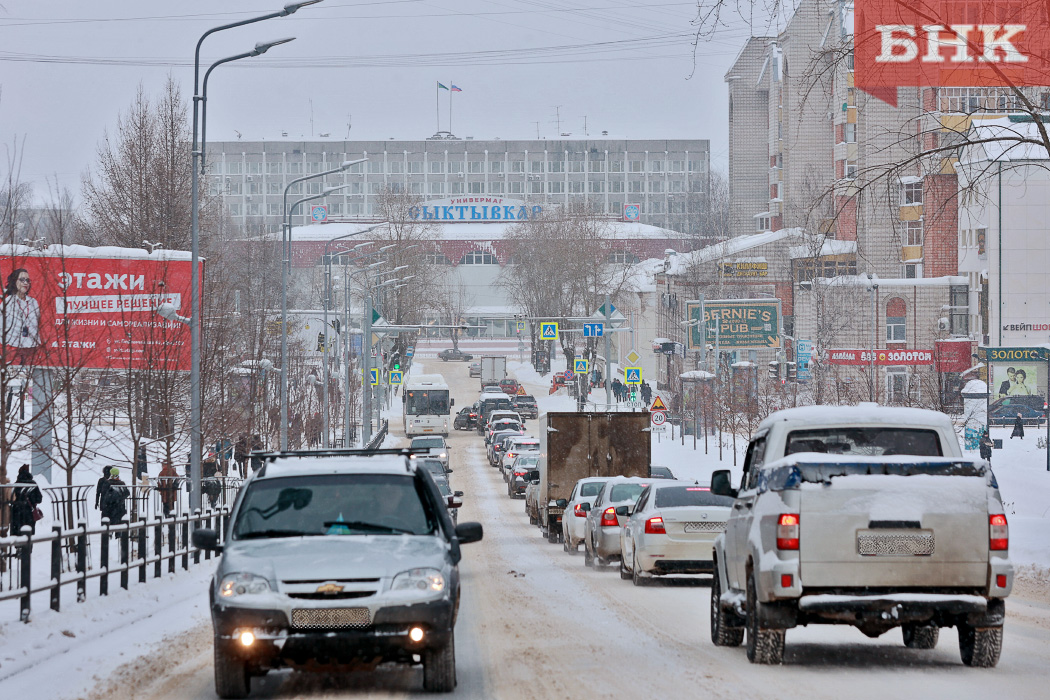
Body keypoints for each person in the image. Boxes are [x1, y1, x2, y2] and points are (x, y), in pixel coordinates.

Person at [2, 268, 41, 366]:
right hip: (12, 348)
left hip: (31, 348)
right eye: (22, 279)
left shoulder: (33, 302)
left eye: (27, 280)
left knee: (30, 378)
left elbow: (38, 324)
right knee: (14, 379)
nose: (25, 283)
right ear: (14, 281)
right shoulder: (7, 303)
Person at [9, 463, 43, 535]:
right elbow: (39, 499)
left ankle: (17, 545)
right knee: (28, 534)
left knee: (17, 532)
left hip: (16, 512)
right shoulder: (33, 484)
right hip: (29, 512)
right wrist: (32, 500)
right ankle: (28, 545)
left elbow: (12, 498)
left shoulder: (16, 484)